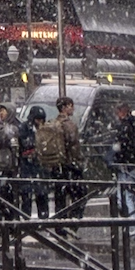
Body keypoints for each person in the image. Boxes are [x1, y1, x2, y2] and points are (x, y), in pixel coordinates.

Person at [54, 96, 86, 227]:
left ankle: (59, 226)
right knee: (80, 195)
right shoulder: (70, 125)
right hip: (69, 165)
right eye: (71, 106)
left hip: (56, 164)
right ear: (65, 107)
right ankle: (73, 224)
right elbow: (74, 147)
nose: (73, 108)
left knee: (60, 196)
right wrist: (79, 161)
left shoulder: (52, 123)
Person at [112, 102, 135, 223]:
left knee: (125, 195)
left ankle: (133, 225)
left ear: (122, 111)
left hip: (128, 164)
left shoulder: (125, 127)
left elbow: (121, 146)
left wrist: (117, 159)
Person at [30, 107, 61, 222]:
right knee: (43, 192)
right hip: (47, 164)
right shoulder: (49, 130)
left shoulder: (34, 130)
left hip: (37, 164)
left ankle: (41, 217)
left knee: (38, 193)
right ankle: (45, 217)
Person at [15, 108, 46, 221]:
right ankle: (26, 217)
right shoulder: (24, 128)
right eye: (38, 119)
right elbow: (23, 142)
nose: (40, 122)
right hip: (27, 164)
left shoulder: (42, 128)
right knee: (27, 193)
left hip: (38, 164)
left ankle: (42, 217)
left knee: (41, 193)